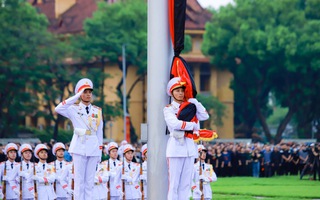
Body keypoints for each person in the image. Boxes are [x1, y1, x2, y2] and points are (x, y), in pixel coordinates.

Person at [55, 78, 103, 200]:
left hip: (93, 147)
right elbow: (58, 108)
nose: (88, 94)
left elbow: (99, 132)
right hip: (79, 147)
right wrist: (75, 96)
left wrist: (100, 151)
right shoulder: (73, 109)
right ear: (80, 93)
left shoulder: (97, 111)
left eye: (89, 92)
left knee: (90, 181)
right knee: (79, 181)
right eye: (85, 92)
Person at [164, 77, 209, 200]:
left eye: (182, 90)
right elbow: (175, 124)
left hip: (189, 148)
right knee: (174, 184)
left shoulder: (190, 106)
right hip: (176, 148)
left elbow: (205, 115)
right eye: (177, 90)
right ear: (172, 92)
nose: (180, 93)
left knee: (186, 184)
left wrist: (195, 102)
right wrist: (193, 125)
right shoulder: (169, 108)